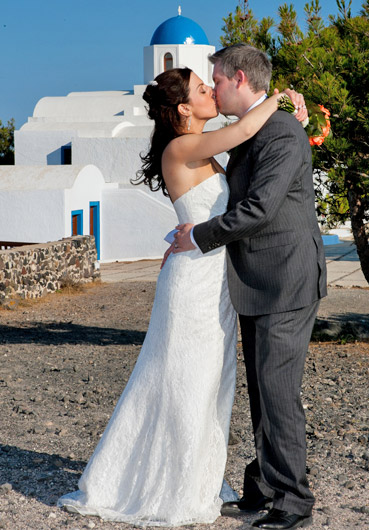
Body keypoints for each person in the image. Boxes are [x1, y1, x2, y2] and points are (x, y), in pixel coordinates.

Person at [57, 67, 307, 526]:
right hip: (193, 287)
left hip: (216, 282)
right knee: (183, 384)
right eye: (202, 89)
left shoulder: (201, 149)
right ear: (184, 109)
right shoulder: (183, 146)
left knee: (209, 385)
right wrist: (283, 99)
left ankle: (196, 478)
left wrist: (295, 127)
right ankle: (169, 486)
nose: (211, 92)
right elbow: (248, 127)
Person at [170, 43, 326, 530]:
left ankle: (294, 501)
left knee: (278, 391)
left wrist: (197, 236)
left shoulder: (280, 133)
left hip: (285, 281)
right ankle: (263, 485)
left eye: (215, 79)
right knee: (264, 390)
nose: (212, 89)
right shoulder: (252, 129)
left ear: (239, 78)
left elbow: (258, 209)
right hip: (259, 281)